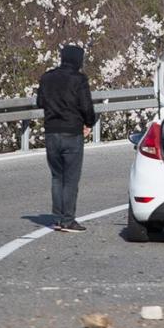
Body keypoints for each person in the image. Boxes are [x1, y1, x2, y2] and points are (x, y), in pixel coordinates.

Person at [36, 45, 97, 233]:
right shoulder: (79, 79)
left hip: (51, 132)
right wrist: (89, 123)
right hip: (72, 133)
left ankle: (57, 218)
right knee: (70, 179)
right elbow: (86, 106)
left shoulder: (47, 77)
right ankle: (68, 220)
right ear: (78, 60)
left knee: (56, 177)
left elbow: (40, 102)